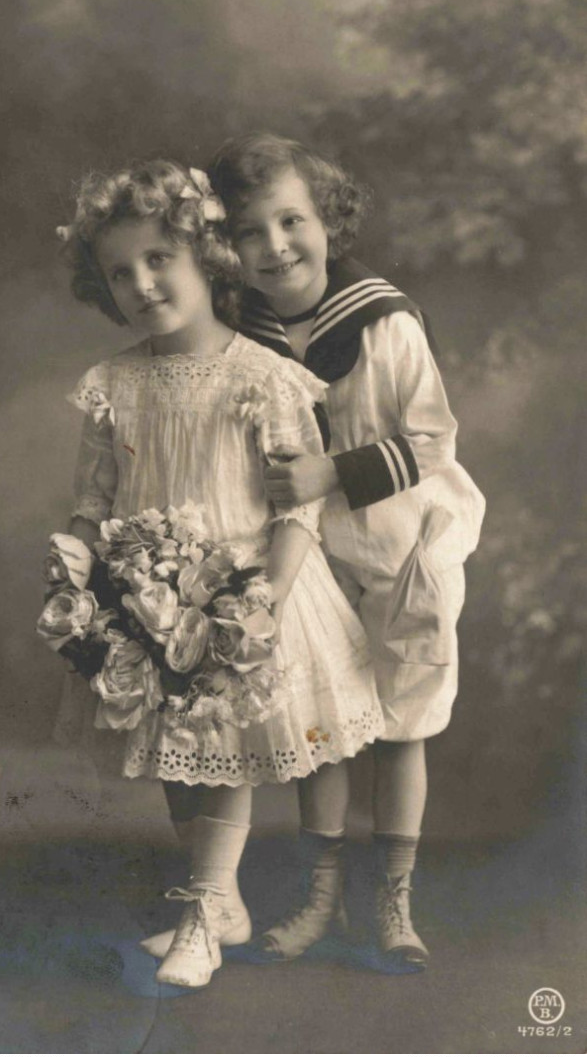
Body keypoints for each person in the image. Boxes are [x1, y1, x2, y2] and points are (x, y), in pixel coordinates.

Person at [54, 159, 384, 988]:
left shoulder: (262, 379)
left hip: (244, 595)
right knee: (172, 758)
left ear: (206, 256)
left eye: (159, 259)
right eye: (119, 272)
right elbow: (94, 500)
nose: (141, 283)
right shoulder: (115, 385)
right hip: (147, 596)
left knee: (222, 748)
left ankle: (203, 911)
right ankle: (222, 899)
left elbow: (298, 506)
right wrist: (77, 557)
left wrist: (265, 593)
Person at [210, 132, 485, 967]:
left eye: (290, 221)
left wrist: (334, 470)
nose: (275, 246)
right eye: (249, 232)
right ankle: (319, 898)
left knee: (403, 726)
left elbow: (432, 439)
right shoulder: (243, 329)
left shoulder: (383, 320)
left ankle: (392, 907)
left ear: (326, 218)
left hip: (401, 542)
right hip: (306, 552)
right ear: (227, 246)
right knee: (319, 723)